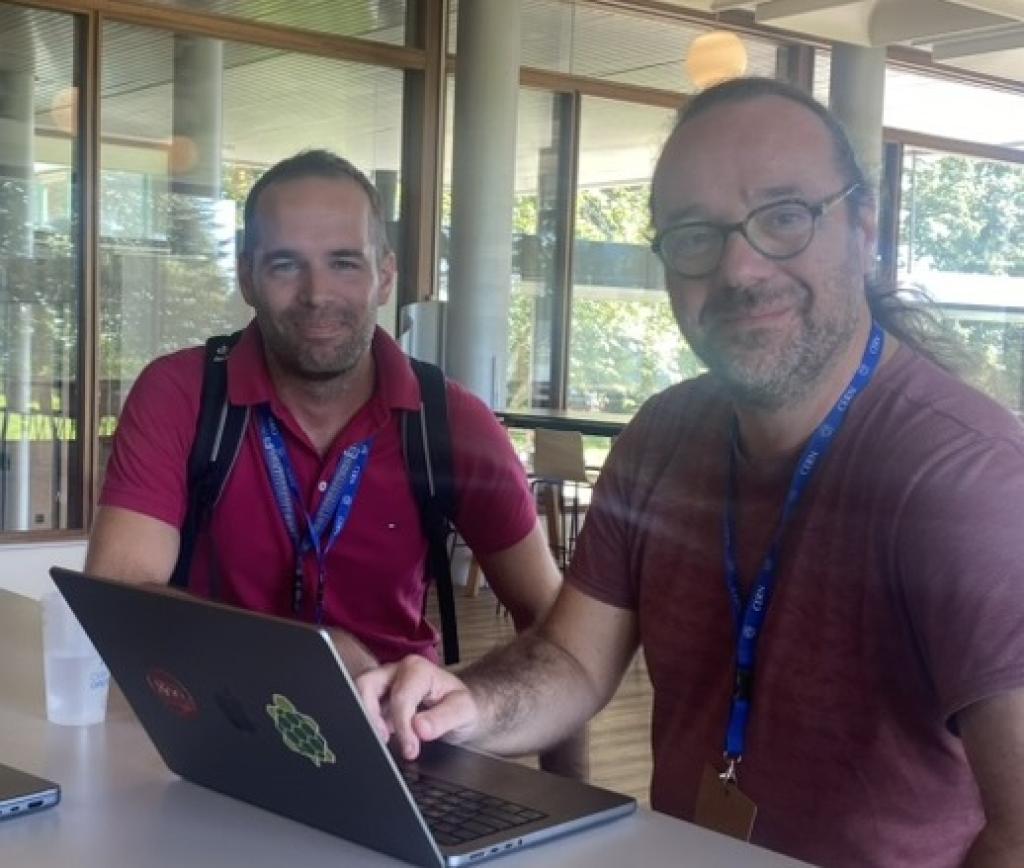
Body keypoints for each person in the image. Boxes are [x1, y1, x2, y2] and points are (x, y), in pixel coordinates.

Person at [358, 78, 1024, 868]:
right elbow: (572, 660)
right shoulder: (664, 434)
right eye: (695, 234)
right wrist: (464, 705)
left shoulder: (966, 481)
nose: (740, 270)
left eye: (784, 218)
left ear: (864, 228)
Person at [86, 149, 584, 776]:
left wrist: (571, 800)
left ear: (384, 276)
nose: (317, 294)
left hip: (402, 750)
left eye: (344, 263)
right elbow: (119, 596)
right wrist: (315, 654)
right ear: (246, 277)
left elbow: (553, 627)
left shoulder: (450, 421)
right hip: (218, 736)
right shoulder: (182, 393)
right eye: (285, 264)